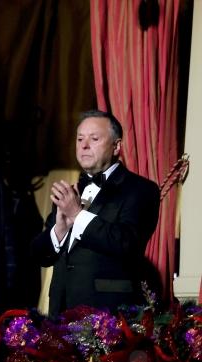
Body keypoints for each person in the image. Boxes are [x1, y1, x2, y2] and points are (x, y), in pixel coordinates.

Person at [31, 110, 160, 316]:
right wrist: (59, 231)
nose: (84, 145)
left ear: (116, 146)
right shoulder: (72, 191)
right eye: (80, 139)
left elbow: (127, 243)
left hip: (109, 315)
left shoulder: (141, 189)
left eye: (94, 138)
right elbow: (39, 256)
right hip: (61, 314)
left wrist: (78, 215)